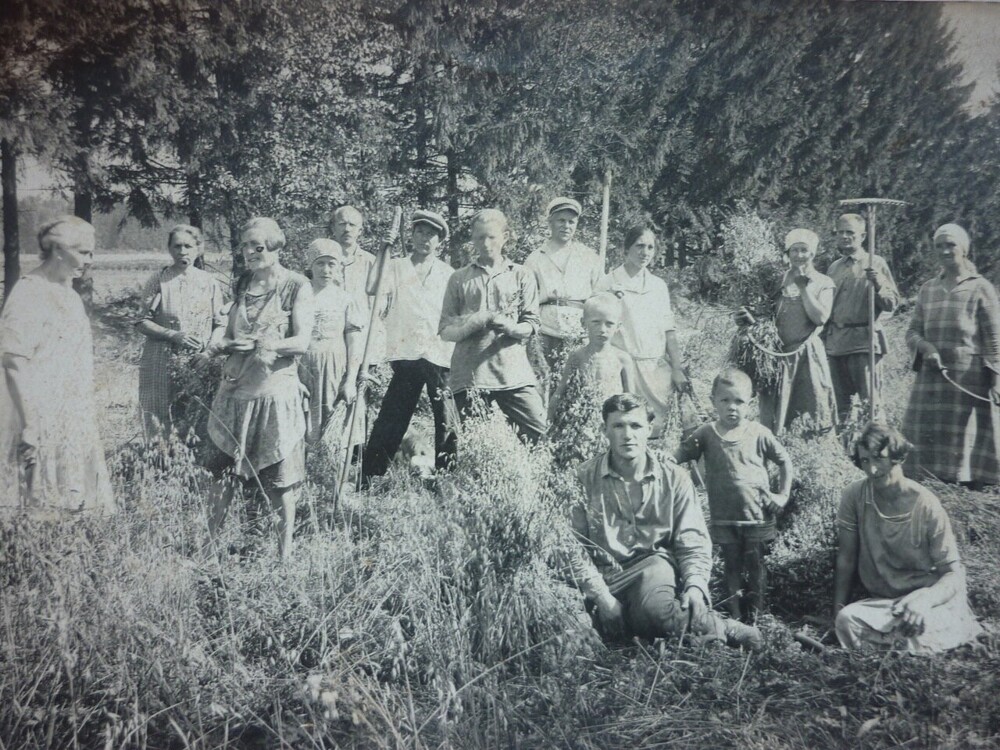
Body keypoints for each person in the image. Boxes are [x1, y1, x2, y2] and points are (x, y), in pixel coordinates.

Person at [568, 393, 762, 649]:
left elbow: (692, 539)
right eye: (618, 426)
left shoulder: (674, 478)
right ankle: (668, 626)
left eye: (636, 425)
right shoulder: (583, 477)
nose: (627, 435)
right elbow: (571, 546)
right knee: (573, 623)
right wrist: (602, 596)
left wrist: (695, 586)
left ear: (649, 429)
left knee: (654, 610)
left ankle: (721, 628)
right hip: (600, 574)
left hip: (651, 568)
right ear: (605, 430)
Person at [206, 217, 314, 559]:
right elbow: (227, 331)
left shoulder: (296, 286)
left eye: (258, 246)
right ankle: (208, 550)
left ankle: (284, 556)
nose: (250, 253)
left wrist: (265, 344)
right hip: (235, 392)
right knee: (222, 474)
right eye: (245, 247)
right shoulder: (242, 284)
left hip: (274, 395)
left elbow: (302, 341)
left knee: (280, 479)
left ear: (275, 247)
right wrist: (225, 344)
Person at [833, 422, 983, 653]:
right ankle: (908, 646)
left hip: (928, 600)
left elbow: (953, 575)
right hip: (887, 605)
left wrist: (925, 600)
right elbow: (847, 559)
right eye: (865, 460)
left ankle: (905, 643)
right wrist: (835, 614)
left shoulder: (926, 505)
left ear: (897, 457)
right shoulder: (854, 496)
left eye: (879, 458)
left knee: (921, 629)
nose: (872, 469)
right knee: (846, 620)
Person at [0, 216, 115, 514]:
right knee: (36, 501)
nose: (89, 261)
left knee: (72, 501)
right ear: (58, 250)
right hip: (36, 409)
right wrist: (30, 424)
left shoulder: (69, 294)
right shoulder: (29, 292)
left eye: (91, 253)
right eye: (83, 252)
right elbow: (13, 361)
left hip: (70, 409)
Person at [674, 368, 792, 622]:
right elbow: (679, 455)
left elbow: (785, 461)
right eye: (725, 400)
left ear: (750, 403)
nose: (732, 407)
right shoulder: (706, 433)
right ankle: (735, 614)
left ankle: (758, 614)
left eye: (739, 401)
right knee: (732, 566)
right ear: (713, 401)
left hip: (756, 516)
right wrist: (666, 460)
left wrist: (782, 495)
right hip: (724, 517)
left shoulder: (758, 433)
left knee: (756, 565)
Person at [902, 223, 1000, 487]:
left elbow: (994, 340)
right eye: (939, 246)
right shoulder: (928, 288)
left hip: (968, 376)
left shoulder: (980, 288)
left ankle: (969, 482)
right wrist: (926, 348)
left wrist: (996, 380)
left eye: (951, 245)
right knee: (925, 428)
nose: (945, 251)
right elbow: (912, 332)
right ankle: (933, 480)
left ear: (964, 249)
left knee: (966, 432)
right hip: (933, 375)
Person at [362, 210, 456, 481]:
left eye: (431, 235)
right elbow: (371, 287)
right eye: (420, 232)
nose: (425, 238)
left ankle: (446, 477)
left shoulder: (448, 273)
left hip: (439, 353)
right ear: (411, 235)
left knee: (446, 417)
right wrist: (383, 248)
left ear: (439, 241)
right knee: (392, 416)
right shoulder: (395, 266)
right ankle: (370, 476)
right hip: (406, 353)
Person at [439, 208, 547, 444]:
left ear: (505, 237)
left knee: (540, 434)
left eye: (492, 237)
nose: (486, 244)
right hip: (470, 375)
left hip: (513, 373)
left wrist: (509, 327)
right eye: (480, 237)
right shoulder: (459, 278)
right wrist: (474, 322)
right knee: (466, 443)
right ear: (472, 238)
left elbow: (531, 324)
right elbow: (445, 331)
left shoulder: (521, 275)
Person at [135, 224, 227, 442]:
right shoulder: (159, 280)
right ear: (169, 249)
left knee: (194, 416)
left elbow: (220, 323)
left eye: (188, 246)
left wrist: (208, 353)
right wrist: (173, 335)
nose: (182, 251)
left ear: (199, 249)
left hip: (198, 361)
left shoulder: (209, 282)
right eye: (177, 246)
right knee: (159, 417)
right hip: (160, 360)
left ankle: (191, 457)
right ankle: (160, 456)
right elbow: (141, 322)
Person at [740, 228, 836, 434]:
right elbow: (765, 315)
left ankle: (809, 447)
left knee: (809, 410)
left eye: (804, 250)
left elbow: (821, 318)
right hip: (776, 356)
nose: (799, 255)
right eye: (794, 250)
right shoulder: (777, 281)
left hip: (806, 355)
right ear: (788, 253)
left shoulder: (823, 283)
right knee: (774, 414)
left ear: (813, 253)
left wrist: (803, 288)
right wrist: (747, 319)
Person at [597, 224, 688, 436]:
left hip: (655, 368)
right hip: (623, 370)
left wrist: (677, 367)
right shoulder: (608, 282)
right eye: (639, 246)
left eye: (650, 247)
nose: (644, 252)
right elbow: (597, 326)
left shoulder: (658, 286)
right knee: (625, 426)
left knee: (673, 425)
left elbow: (669, 331)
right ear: (626, 249)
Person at [824, 213, 899, 423]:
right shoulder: (834, 268)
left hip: (864, 344)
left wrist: (878, 283)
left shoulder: (876, 263)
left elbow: (892, 303)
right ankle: (845, 444)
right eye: (840, 232)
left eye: (850, 232)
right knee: (841, 409)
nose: (844, 236)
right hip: (836, 345)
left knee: (871, 406)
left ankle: (876, 442)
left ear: (863, 236)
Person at [298, 239, 365, 454]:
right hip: (302, 366)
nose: (325, 270)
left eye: (331, 264)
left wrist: (351, 379)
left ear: (339, 267)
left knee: (331, 415)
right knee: (301, 416)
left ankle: (330, 464)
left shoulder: (344, 299)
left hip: (334, 368)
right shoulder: (299, 295)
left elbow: (354, 341)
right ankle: (303, 465)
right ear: (310, 265)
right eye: (320, 263)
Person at [523, 197, 603, 372]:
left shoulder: (589, 257)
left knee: (577, 380)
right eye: (561, 220)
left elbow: (599, 296)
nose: (566, 226)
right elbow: (527, 300)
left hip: (578, 331)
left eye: (571, 222)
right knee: (544, 379)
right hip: (545, 331)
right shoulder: (535, 258)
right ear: (550, 222)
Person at [549, 292, 634, 421]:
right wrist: (549, 419)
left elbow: (630, 396)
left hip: (613, 419)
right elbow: (560, 391)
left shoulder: (622, 358)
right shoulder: (577, 356)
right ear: (583, 323)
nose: (602, 329)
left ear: (618, 326)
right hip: (583, 419)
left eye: (609, 324)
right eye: (596, 322)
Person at [330, 205, 385, 365]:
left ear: (360, 230)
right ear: (333, 228)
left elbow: (381, 306)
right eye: (342, 224)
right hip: (331, 342)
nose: (347, 229)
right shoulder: (323, 262)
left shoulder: (372, 262)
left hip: (363, 344)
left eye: (352, 225)